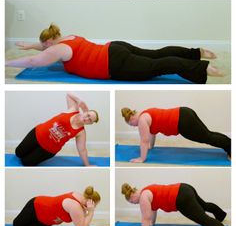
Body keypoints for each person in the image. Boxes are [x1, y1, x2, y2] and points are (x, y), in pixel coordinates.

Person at [6, 23, 224, 84]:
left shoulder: (57, 49)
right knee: (156, 54)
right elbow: (43, 49)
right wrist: (32, 45)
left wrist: (7, 63)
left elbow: (35, 60)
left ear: (48, 41)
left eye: (42, 44)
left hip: (115, 64)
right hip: (115, 47)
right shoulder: (67, 37)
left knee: (162, 65)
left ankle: (202, 68)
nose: (43, 47)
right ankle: (197, 53)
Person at [121, 183, 230, 226]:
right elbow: (153, 211)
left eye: (132, 202)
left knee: (203, 219)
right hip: (184, 187)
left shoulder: (143, 198)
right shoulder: (146, 190)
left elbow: (145, 217)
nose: (134, 203)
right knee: (204, 205)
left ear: (132, 196)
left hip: (181, 198)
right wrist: (151, 223)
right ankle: (221, 215)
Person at [14, 92, 99, 166]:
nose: (87, 119)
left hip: (47, 150)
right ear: (85, 111)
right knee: (18, 152)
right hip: (37, 134)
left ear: (90, 123)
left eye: (90, 120)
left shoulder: (81, 133)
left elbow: (82, 150)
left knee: (26, 162)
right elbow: (68, 94)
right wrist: (80, 100)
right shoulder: (73, 109)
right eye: (88, 115)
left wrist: (87, 165)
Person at [121, 107, 231, 162]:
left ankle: (230, 147)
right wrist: (151, 146)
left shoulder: (141, 120)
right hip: (184, 112)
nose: (134, 126)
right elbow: (151, 134)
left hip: (182, 121)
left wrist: (142, 158)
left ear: (131, 118)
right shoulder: (145, 113)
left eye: (131, 124)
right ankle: (230, 145)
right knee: (208, 135)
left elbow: (144, 140)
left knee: (207, 137)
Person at [13, 186, 102, 226]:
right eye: (95, 204)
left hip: (46, 220)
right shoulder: (75, 205)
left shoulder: (82, 202)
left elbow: (83, 220)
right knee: (16, 225)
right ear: (90, 201)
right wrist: (91, 212)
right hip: (37, 206)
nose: (94, 207)